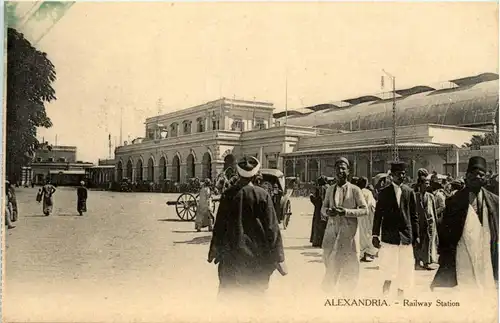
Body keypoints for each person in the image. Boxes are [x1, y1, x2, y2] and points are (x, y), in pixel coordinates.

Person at [208, 156, 286, 302]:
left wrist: (214, 250)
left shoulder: (228, 195)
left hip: (231, 259)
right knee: (254, 301)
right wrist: (279, 258)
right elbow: (272, 229)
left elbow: (219, 227)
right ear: (256, 175)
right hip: (256, 260)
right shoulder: (262, 195)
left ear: (238, 174)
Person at [431, 156, 498, 296]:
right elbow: (445, 231)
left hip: (486, 253)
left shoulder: (494, 201)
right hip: (463, 251)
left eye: (481, 174)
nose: (477, 177)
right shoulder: (454, 201)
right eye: (473, 173)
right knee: (466, 289)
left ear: (485, 177)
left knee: (486, 288)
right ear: (466, 176)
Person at [321, 157, 368, 295]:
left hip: (349, 235)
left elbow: (364, 210)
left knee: (350, 264)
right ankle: (330, 293)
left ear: (348, 171)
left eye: (343, 168)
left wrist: (346, 212)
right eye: (338, 168)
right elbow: (323, 208)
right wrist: (327, 212)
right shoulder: (330, 189)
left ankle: (346, 293)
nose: (340, 171)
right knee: (330, 261)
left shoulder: (355, 190)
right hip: (332, 232)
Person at [372, 161, 419, 298]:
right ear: (392, 176)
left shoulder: (409, 192)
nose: (402, 176)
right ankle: (386, 289)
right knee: (388, 265)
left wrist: (416, 235)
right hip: (389, 236)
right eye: (399, 174)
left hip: (405, 236)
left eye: (404, 174)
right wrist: (375, 235)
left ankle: (401, 292)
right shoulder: (384, 193)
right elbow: (378, 216)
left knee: (405, 266)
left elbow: (414, 216)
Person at [413, 169, 438, 270]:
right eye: (425, 183)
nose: (427, 185)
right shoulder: (415, 196)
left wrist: (435, 222)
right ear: (420, 185)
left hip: (430, 223)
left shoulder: (431, 196)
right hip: (420, 223)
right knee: (418, 243)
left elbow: (434, 211)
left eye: (428, 183)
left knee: (429, 242)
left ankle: (427, 262)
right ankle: (417, 262)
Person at [356, 176, 378, 262]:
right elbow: (371, 204)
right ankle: (367, 253)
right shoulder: (368, 192)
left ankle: (361, 253)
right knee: (368, 233)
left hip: (359, 216)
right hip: (367, 216)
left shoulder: (356, 191)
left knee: (361, 234)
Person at [310, 175, 329, 248]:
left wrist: (311, 198)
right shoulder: (329, 187)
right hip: (327, 208)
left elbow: (318, 200)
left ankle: (318, 242)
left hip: (319, 209)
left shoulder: (320, 189)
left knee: (319, 225)